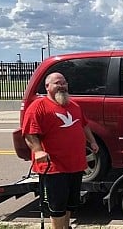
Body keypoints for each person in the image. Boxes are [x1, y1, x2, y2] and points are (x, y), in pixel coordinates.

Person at [22, 72, 99, 229]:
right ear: (47, 87)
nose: (62, 86)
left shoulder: (73, 105)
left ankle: (66, 227)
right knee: (57, 207)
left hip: (75, 165)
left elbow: (83, 125)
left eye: (64, 82)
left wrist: (92, 141)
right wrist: (38, 151)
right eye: (57, 83)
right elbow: (29, 133)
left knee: (70, 205)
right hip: (54, 168)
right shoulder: (38, 107)